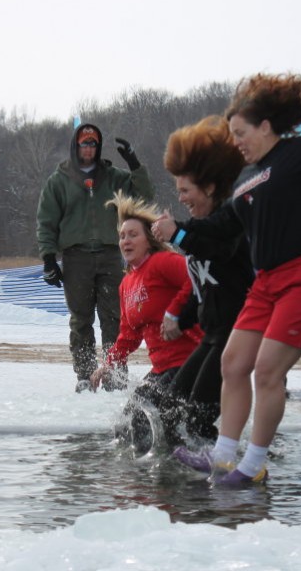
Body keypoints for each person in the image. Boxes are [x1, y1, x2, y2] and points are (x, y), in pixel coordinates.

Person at [153, 73, 301, 485]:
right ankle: (223, 456)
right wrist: (179, 232)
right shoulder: (247, 180)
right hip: (267, 284)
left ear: (266, 127)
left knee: (267, 372)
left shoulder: (300, 153)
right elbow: (221, 228)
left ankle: (253, 465)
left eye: (241, 133)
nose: (236, 142)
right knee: (233, 363)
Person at [154, 116, 254, 445]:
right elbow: (203, 288)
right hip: (212, 334)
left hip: (237, 334)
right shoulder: (199, 227)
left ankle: (225, 466)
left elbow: (219, 251)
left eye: (186, 191)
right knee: (170, 410)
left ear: (209, 188)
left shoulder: (229, 220)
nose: (181, 198)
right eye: (178, 191)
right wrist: (179, 319)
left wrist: (178, 234)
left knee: (198, 416)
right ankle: (187, 470)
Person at [36, 123, 155, 393]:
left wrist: (134, 164)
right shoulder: (59, 181)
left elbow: (145, 195)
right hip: (75, 257)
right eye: (84, 144)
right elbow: (46, 222)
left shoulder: (113, 177)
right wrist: (48, 258)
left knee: (114, 318)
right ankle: (85, 374)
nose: (88, 149)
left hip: (110, 255)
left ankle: (114, 373)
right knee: (81, 320)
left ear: (98, 147)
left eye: (92, 144)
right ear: (75, 147)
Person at [90, 192, 202, 450]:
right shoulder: (126, 284)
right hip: (162, 368)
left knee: (164, 422)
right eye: (122, 236)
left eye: (133, 234)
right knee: (126, 427)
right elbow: (128, 335)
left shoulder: (162, 262)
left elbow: (197, 278)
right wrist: (107, 364)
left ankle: (189, 464)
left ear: (149, 240)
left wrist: (174, 312)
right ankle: (141, 473)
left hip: (190, 361)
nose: (126, 241)